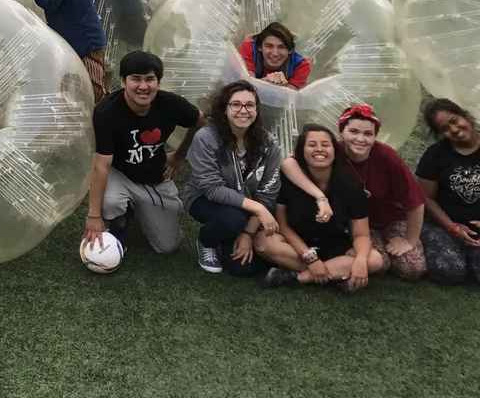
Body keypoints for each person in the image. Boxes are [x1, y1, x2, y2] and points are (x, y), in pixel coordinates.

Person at [280, 102, 426, 279]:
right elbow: (289, 163)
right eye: (354, 131)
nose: (360, 139)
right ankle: (319, 272)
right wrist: (320, 197)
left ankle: (299, 275)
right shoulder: (333, 152)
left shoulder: (387, 157)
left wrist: (409, 240)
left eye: (368, 134)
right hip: (357, 224)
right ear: (342, 132)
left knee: (413, 268)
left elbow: (415, 201)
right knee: (378, 264)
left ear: (375, 136)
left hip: (392, 219)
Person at [81, 50, 202, 263]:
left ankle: (138, 209)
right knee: (111, 202)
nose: (143, 86)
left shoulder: (171, 104)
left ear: (158, 82)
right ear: (123, 81)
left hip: (153, 178)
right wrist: (94, 216)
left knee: (167, 246)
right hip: (119, 173)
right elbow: (101, 165)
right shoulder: (106, 112)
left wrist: (180, 155)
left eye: (149, 79)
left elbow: (199, 120)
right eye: (136, 79)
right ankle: (120, 221)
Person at [257, 125, 383, 290]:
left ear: (335, 150)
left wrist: (360, 260)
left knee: (374, 260)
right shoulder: (289, 179)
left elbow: (361, 234)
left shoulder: (351, 184)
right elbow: (283, 225)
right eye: (312, 145)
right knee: (263, 241)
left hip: (335, 245)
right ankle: (336, 273)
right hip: (297, 245)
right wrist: (310, 258)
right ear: (302, 151)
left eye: (325, 145)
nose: (319, 149)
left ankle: (297, 277)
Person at [180, 80, 282, 276]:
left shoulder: (269, 143)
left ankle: (231, 237)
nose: (243, 110)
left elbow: (268, 193)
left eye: (250, 105)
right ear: (224, 109)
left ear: (257, 110)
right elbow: (212, 188)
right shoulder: (206, 137)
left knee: (241, 268)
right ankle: (206, 240)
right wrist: (258, 208)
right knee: (232, 219)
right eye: (236, 104)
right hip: (204, 199)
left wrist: (248, 233)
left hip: (247, 208)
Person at [415, 98, 480, 285]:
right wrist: (452, 227)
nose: (454, 129)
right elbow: (426, 198)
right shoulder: (435, 155)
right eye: (444, 129)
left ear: (464, 116)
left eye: (454, 121)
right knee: (450, 270)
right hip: (444, 226)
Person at [237, 22, 312, 90]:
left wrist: (282, 86)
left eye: (281, 47)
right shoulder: (249, 48)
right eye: (269, 46)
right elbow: (246, 87)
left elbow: (289, 96)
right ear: (259, 47)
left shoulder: (301, 65)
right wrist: (266, 81)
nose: (275, 53)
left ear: (290, 50)